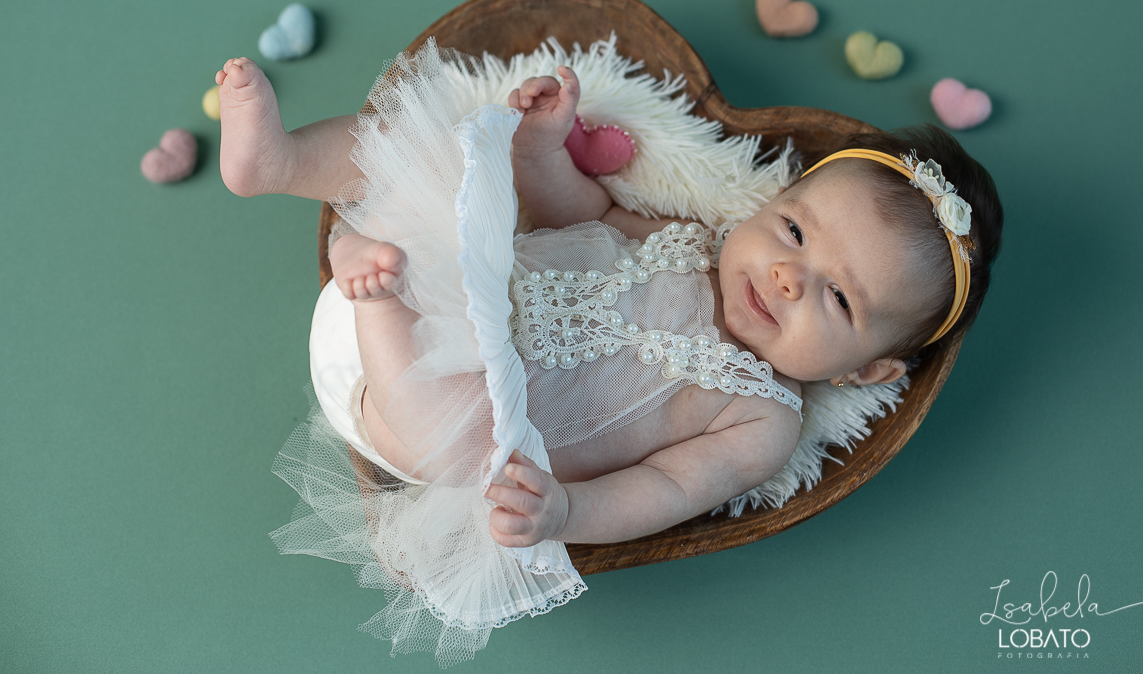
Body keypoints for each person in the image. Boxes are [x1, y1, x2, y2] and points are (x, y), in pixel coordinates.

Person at [216, 39, 1001, 666]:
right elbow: (572, 214)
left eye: (838, 299)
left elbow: (663, 487)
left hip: (405, 404)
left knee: (462, 442)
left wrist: (568, 513)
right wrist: (540, 150)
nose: (789, 278)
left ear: (865, 371)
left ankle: (372, 288)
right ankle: (281, 162)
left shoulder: (762, 419)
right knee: (444, 154)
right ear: (771, 202)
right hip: (438, 284)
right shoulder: (689, 239)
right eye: (794, 231)